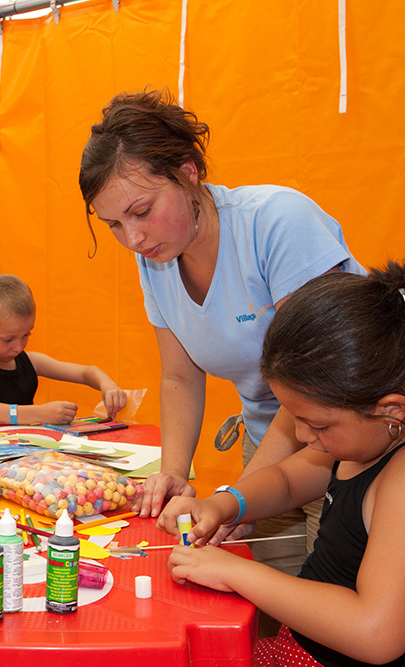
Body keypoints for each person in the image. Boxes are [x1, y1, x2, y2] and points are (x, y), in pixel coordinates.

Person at [78, 88, 371, 578]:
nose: (133, 239)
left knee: (333, 606)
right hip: (269, 438)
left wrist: (234, 500)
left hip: (350, 442)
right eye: (113, 224)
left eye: (142, 211)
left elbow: (315, 386)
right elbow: (179, 376)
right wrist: (172, 472)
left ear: (189, 173)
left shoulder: (277, 222)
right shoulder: (155, 257)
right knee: (275, 606)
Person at [160, 244, 405, 666]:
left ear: (391, 409)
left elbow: (377, 633)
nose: (301, 435)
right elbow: (287, 480)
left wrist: (234, 572)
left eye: (317, 425)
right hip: (301, 650)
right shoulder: (374, 435)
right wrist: (224, 504)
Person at [0, 273, 127, 425]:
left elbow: (85, 372)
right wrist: (38, 413)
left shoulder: (31, 361)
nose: (19, 346)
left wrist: (107, 385)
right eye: (8, 339)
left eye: (26, 335)